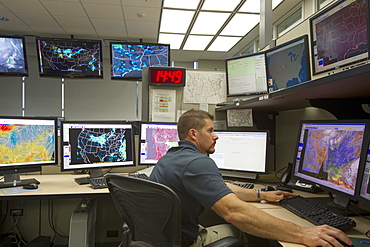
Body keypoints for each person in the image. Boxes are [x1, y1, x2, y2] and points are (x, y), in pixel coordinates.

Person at [149, 109, 353, 247]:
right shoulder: (197, 163)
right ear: (194, 134)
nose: (216, 136)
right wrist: (302, 233)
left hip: (164, 237)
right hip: (186, 242)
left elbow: (221, 187)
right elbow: (235, 213)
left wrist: (261, 195)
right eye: (210, 130)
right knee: (246, 230)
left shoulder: (170, 158)